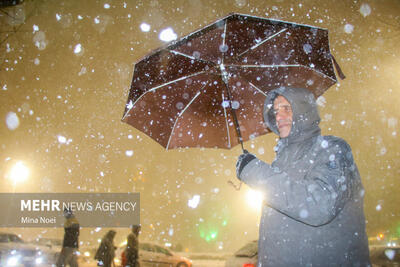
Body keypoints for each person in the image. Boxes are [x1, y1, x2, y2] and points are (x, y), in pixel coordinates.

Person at [236, 87, 370, 266]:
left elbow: (319, 205)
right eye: (276, 111)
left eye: (286, 108)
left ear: (304, 111)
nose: (279, 116)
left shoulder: (332, 149)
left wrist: (254, 170)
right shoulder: (280, 162)